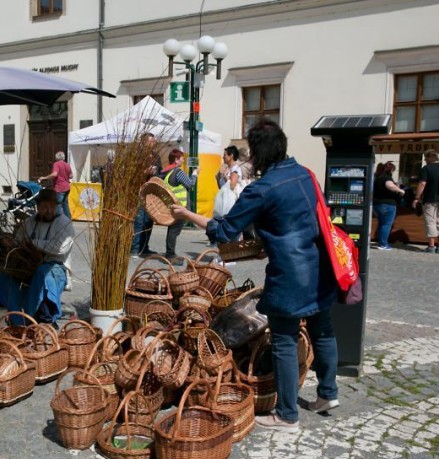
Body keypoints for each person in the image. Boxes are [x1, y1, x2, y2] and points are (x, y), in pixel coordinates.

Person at [171, 119, 339, 433]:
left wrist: (185, 214)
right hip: (322, 263)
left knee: (284, 340)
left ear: (258, 155)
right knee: (323, 328)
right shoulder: (305, 174)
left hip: (290, 272)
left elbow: (224, 230)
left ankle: (287, 415)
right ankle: (328, 393)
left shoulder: (262, 188)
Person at [0, 189, 74, 326]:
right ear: (37, 206)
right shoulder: (30, 222)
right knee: (3, 275)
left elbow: (59, 248)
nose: (48, 210)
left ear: (56, 206)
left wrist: (32, 243)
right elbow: (18, 242)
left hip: (55, 267)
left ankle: (37, 316)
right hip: (29, 265)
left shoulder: (64, 223)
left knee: (43, 274)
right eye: (44, 207)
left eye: (51, 207)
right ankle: (17, 318)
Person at [161, 149, 198, 262]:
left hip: (172, 206)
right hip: (180, 206)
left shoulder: (167, 173)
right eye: (181, 158)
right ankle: (170, 255)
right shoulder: (178, 172)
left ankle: (169, 253)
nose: (183, 160)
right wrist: (195, 174)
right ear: (176, 160)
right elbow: (190, 184)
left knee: (172, 229)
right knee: (174, 231)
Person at [413, 149, 439, 254]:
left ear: (429, 158)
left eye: (425, 158)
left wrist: (417, 198)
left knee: (430, 222)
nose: (425, 160)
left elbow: (422, 184)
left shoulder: (426, 169)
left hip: (430, 199)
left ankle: (431, 246)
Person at [131, 132, 162, 258]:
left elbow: (160, 172)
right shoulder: (137, 156)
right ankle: (134, 249)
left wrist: (157, 177)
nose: (153, 143)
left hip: (151, 193)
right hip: (140, 192)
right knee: (139, 221)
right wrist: (145, 171)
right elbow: (132, 174)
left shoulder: (156, 156)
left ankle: (144, 247)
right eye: (150, 141)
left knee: (149, 221)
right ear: (144, 142)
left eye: (153, 141)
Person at [372, 161, 405, 251]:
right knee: (386, 224)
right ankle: (383, 244)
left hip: (377, 204)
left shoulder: (377, 178)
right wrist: (400, 190)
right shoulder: (386, 178)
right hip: (388, 204)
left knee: (382, 224)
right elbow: (389, 185)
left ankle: (381, 242)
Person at [39, 151, 72, 218]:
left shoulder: (56, 164)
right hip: (67, 188)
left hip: (60, 188)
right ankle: (68, 220)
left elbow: (55, 174)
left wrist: (44, 178)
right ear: (63, 157)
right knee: (65, 205)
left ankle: (60, 221)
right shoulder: (67, 165)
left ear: (56, 158)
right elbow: (71, 176)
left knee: (58, 205)